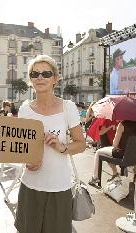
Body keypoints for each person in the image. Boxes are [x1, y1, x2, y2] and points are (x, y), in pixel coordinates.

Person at [14, 55, 87, 233]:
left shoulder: (67, 107)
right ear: (30, 79)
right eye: (35, 73)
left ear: (55, 78)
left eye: (46, 73)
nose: (40, 77)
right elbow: (19, 148)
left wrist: (62, 147)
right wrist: (26, 161)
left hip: (59, 186)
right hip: (30, 185)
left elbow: (81, 144)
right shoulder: (24, 109)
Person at [88, 120, 136, 188]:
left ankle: (95, 177)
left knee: (98, 152)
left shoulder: (122, 124)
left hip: (124, 155)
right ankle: (132, 175)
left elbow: (114, 145)